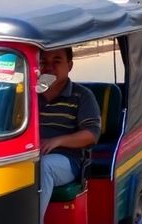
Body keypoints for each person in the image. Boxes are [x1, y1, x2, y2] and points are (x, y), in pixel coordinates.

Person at [38, 48, 101, 223]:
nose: (49, 67)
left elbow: (91, 134)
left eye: (56, 61)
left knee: (44, 167)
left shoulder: (82, 96)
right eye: (43, 62)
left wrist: (57, 141)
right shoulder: (28, 94)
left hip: (66, 161)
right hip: (28, 156)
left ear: (70, 65)